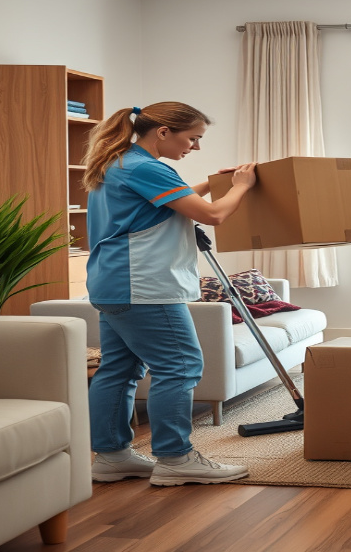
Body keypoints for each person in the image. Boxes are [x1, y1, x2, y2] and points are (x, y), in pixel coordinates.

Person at [83, 102, 258, 485]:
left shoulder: (121, 163)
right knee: (179, 367)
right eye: (192, 138)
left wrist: (212, 184)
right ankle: (176, 459)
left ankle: (111, 456)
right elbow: (211, 215)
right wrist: (241, 187)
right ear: (163, 131)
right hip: (144, 286)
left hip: (113, 284)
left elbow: (173, 202)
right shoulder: (146, 167)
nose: (195, 147)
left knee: (119, 369)